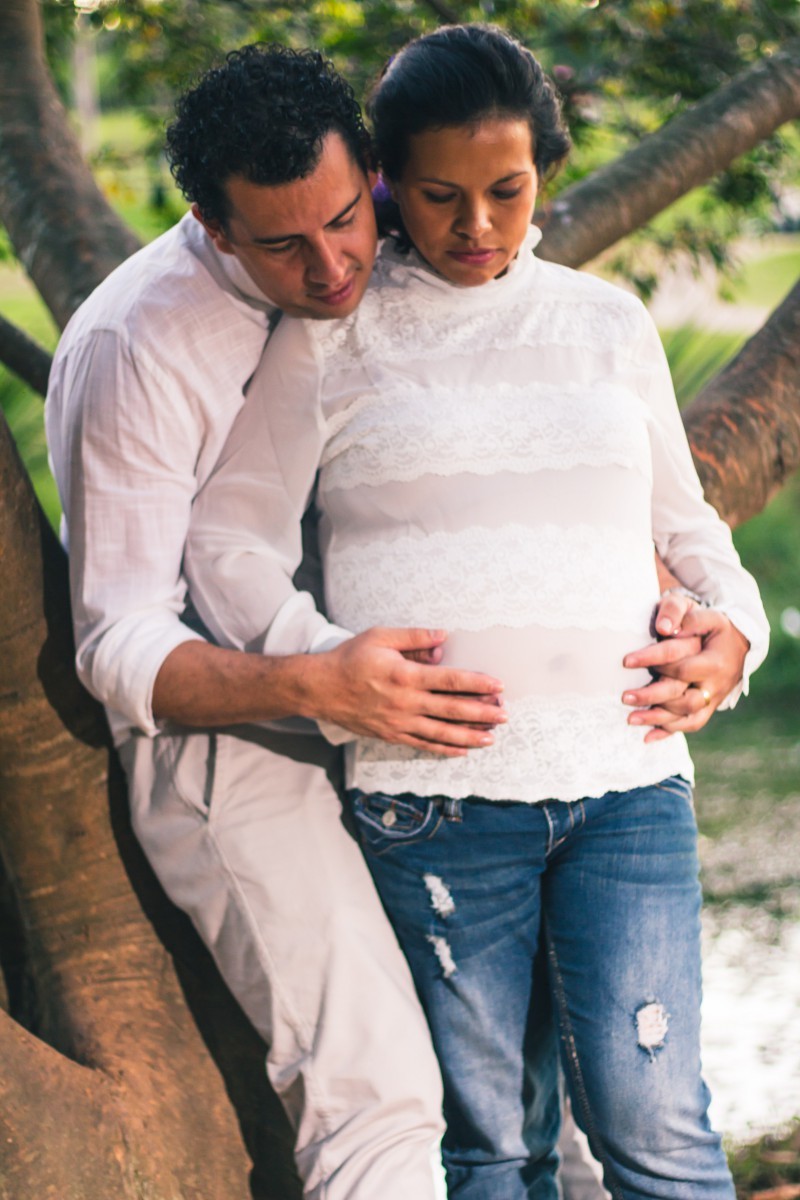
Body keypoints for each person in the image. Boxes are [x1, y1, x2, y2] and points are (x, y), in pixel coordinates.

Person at [184, 26, 769, 1200]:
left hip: (628, 782)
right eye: (438, 195)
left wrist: (736, 634)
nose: (477, 226)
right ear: (386, 181)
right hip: (434, 804)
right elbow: (227, 541)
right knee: (490, 1145)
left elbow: (686, 529)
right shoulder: (329, 335)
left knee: (656, 1131)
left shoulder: (605, 324)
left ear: (543, 168)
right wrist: (325, 659)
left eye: (506, 190)